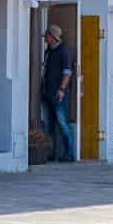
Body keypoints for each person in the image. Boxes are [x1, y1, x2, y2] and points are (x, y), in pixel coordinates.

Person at [41, 24, 76, 162]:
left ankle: (69, 153)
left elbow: (67, 72)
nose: (45, 37)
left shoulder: (63, 51)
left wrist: (61, 89)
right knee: (49, 125)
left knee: (62, 123)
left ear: (52, 37)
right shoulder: (48, 51)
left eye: (47, 35)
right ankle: (51, 153)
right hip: (47, 93)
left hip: (59, 93)